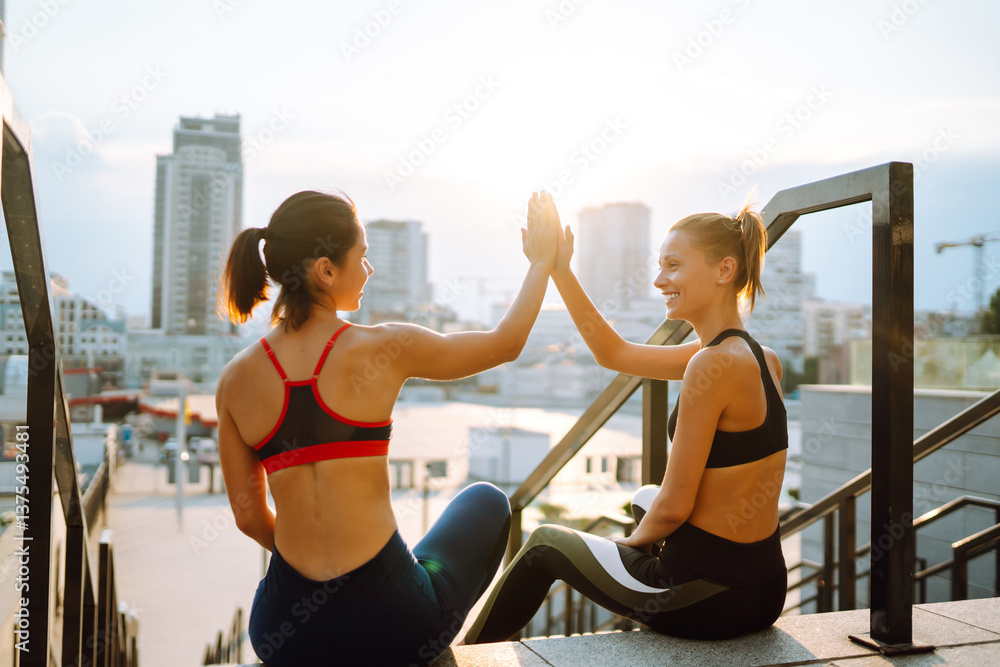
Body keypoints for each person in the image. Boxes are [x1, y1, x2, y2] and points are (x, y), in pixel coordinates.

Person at [215, 190, 557, 665]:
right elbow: (505, 344)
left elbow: (249, 517)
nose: (369, 270)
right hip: (394, 625)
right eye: (363, 256)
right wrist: (541, 263)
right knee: (487, 501)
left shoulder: (235, 379)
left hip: (286, 632)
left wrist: (316, 571)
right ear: (326, 270)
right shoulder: (383, 347)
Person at [464, 195, 787, 643]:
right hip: (765, 590)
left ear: (724, 270)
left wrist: (624, 549)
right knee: (642, 494)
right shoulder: (758, 357)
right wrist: (559, 268)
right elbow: (613, 353)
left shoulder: (709, 368)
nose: (659, 280)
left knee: (544, 545)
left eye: (673, 265)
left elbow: (675, 506)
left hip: (707, 598)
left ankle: (463, 658)